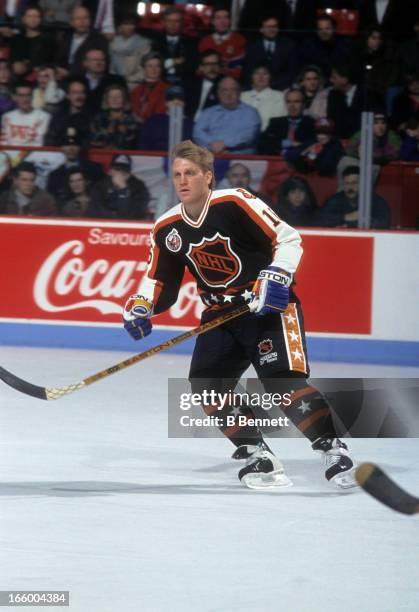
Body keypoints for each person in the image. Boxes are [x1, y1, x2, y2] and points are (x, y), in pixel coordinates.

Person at [122, 139, 358, 490]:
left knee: (282, 382)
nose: (182, 181)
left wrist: (275, 274)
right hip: (220, 315)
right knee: (206, 387)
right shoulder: (166, 228)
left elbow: (287, 239)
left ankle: (333, 449)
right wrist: (143, 305)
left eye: (190, 173)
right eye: (176, 175)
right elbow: (159, 280)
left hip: (267, 307)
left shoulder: (235, 201)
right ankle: (258, 453)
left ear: (208, 176)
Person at [193, 76, 261, 154]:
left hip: (241, 158)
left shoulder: (251, 113)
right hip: (211, 156)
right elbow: (198, 133)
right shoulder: (208, 112)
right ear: (218, 92)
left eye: (233, 90)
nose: (228, 93)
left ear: (239, 92)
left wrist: (225, 144)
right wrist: (213, 145)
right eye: (224, 90)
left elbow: (249, 136)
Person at [315, 165, 391, 229]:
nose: (350, 187)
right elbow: (320, 220)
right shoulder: (335, 200)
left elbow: (383, 224)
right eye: (346, 183)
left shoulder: (376, 202)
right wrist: (345, 217)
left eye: (354, 183)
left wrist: (351, 225)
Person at [47, 127, 104, 201]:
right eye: (67, 145)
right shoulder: (54, 176)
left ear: (80, 147)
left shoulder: (95, 169)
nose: (71, 148)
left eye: (75, 144)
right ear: (62, 148)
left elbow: (102, 195)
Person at [88, 153, 150, 219]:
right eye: (117, 169)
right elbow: (96, 212)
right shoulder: (100, 187)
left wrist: (123, 190)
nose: (120, 174)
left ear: (129, 174)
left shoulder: (139, 188)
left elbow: (135, 214)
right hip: (104, 225)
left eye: (124, 170)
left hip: (130, 226)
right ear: (110, 171)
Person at [243, 15, 297, 90]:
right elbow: (248, 73)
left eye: (274, 26)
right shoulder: (252, 47)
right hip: (257, 89)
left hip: (282, 89)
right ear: (261, 29)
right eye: (268, 27)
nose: (272, 29)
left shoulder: (288, 46)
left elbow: (291, 72)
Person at [258, 87, 316, 158]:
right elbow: (262, 142)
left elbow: (313, 145)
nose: (292, 106)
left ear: (304, 104)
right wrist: (287, 143)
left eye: (296, 102)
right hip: (276, 162)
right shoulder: (275, 122)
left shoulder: (312, 124)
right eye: (289, 102)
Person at [138, 85, 193, 151]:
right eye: (171, 99)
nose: (176, 102)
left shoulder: (190, 124)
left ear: (184, 103)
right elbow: (143, 145)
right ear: (166, 103)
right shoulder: (153, 121)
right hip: (155, 158)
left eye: (180, 99)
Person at [198, 7, 245, 79]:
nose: (222, 21)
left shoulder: (239, 40)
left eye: (226, 18)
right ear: (213, 21)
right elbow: (200, 70)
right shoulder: (204, 41)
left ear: (230, 21)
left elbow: (238, 70)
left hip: (230, 83)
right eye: (218, 18)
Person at [1, 80, 51, 146]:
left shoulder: (45, 117)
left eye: (28, 95)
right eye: (21, 95)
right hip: (10, 155)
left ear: (33, 96)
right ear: (14, 97)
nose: (25, 99)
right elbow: (3, 143)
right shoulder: (7, 117)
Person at [89, 83, 138, 149]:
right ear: (106, 100)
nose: (114, 99)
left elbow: (132, 142)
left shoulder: (132, 120)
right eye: (111, 97)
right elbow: (94, 141)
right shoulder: (98, 119)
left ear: (124, 100)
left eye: (118, 97)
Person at [44, 77, 91, 146]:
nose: (79, 96)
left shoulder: (92, 117)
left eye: (82, 93)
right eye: (75, 93)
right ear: (68, 96)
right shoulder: (58, 117)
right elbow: (49, 140)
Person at [109, 13, 151, 90]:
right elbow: (111, 67)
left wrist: (131, 78)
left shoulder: (144, 43)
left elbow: (145, 67)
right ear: (120, 26)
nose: (129, 27)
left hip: (136, 83)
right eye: (126, 24)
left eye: (132, 24)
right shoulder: (113, 43)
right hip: (117, 84)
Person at [241, 64, 286, 131]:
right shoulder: (242, 96)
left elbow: (276, 123)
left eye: (265, 74)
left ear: (270, 77)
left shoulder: (279, 96)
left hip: (266, 137)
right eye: (257, 73)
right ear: (251, 76)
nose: (260, 77)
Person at [183, 50, 222, 121]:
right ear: (201, 67)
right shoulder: (190, 84)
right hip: (188, 124)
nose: (212, 68)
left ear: (219, 67)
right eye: (208, 64)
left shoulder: (225, 87)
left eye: (215, 64)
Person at [130, 52, 169, 123]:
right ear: (144, 68)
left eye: (157, 66)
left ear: (161, 68)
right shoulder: (136, 90)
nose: (154, 69)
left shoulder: (167, 89)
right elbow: (134, 112)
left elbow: (161, 112)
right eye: (150, 66)